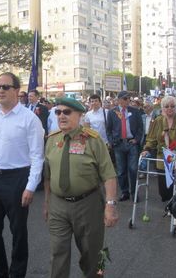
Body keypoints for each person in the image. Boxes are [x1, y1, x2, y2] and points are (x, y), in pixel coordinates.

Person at [0, 72, 44, 278]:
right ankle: (0, 270)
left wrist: (31, 186)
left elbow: (37, 155)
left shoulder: (30, 119)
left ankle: (16, 273)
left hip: (18, 179)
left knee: (18, 232)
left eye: (6, 87)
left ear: (16, 90)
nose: (1, 91)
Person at [44, 97, 118, 278]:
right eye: (58, 112)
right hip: (58, 206)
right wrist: (47, 203)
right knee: (57, 253)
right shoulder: (52, 140)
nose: (61, 116)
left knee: (93, 254)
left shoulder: (93, 140)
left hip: (88, 204)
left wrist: (110, 205)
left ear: (79, 115)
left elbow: (109, 174)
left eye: (67, 112)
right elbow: (47, 176)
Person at [141, 96, 176, 202]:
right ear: (162, 108)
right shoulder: (158, 120)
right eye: (167, 106)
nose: (170, 108)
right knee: (164, 188)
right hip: (161, 157)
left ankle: (175, 207)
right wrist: (146, 149)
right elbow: (151, 138)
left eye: (173, 106)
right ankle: (169, 203)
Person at [106, 90, 143, 201]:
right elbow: (108, 129)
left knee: (133, 169)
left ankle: (134, 193)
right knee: (121, 170)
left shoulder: (135, 111)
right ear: (119, 100)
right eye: (126, 99)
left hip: (131, 143)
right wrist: (112, 141)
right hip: (119, 144)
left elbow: (140, 128)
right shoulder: (112, 112)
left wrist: (136, 140)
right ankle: (124, 192)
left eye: (129, 99)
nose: (128, 101)